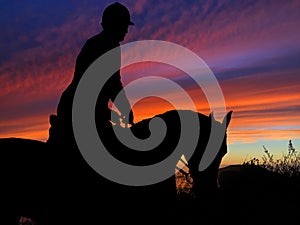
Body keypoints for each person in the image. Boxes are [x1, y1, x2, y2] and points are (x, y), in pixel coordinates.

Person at [47, 2, 134, 146]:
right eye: (124, 25)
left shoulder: (111, 46)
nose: (126, 31)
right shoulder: (99, 45)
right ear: (114, 24)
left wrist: (122, 109)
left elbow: (113, 82)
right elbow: (107, 84)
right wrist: (122, 109)